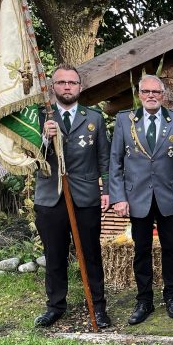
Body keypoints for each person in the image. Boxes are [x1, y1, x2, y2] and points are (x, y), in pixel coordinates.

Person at [33, 64, 111, 328]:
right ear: (53, 87)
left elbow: (104, 158)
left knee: (90, 254)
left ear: (80, 87)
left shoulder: (94, 118)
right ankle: (55, 306)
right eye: (62, 83)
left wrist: (108, 190)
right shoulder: (40, 118)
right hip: (50, 197)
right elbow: (28, 160)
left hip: (85, 196)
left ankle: (98, 306)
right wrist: (45, 139)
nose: (67, 87)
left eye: (72, 83)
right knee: (54, 255)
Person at [109, 75, 173, 325]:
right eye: (146, 91)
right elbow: (115, 161)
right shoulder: (125, 120)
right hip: (137, 198)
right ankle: (144, 300)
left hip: (168, 197)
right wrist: (119, 197)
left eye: (156, 91)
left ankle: (172, 298)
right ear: (139, 94)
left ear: (163, 94)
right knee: (141, 251)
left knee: (171, 250)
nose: (151, 95)